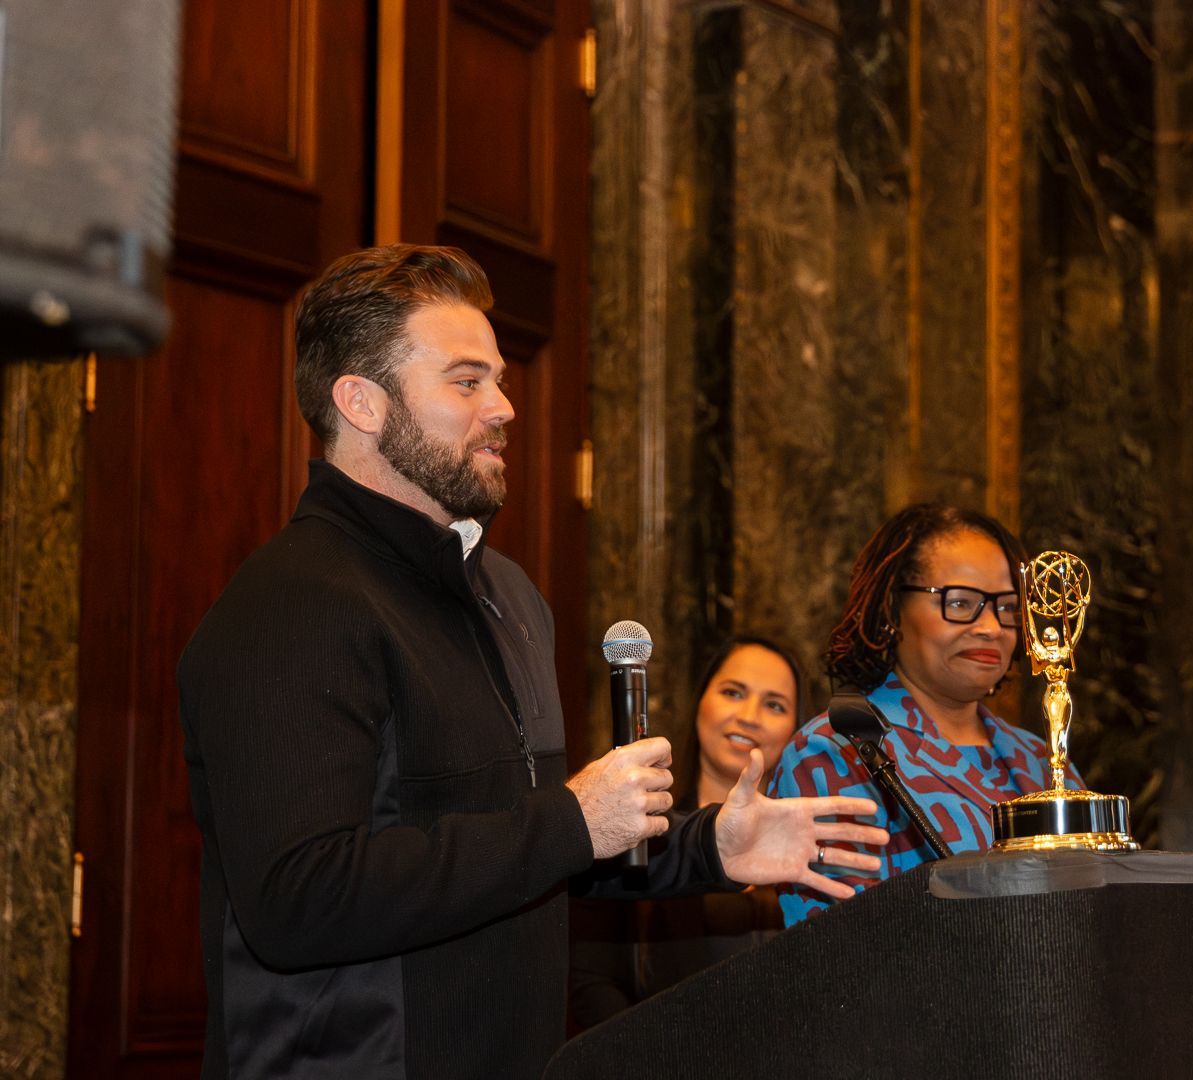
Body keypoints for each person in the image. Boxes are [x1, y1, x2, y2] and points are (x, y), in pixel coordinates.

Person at [177, 244, 885, 1079]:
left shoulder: (507, 596)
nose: (506, 407)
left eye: (500, 380)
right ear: (361, 403)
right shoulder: (289, 604)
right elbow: (298, 901)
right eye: (467, 381)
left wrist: (707, 850)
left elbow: (528, 856)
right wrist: (571, 820)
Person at [769, 503, 1084, 925]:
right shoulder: (833, 753)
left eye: (1008, 607)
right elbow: (838, 954)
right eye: (960, 602)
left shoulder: (1039, 757)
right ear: (893, 611)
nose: (991, 626)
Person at [569, 635, 801, 1027]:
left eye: (774, 704)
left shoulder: (807, 849)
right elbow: (591, 983)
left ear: (796, 728)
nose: (750, 715)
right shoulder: (635, 833)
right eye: (733, 692)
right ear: (700, 703)